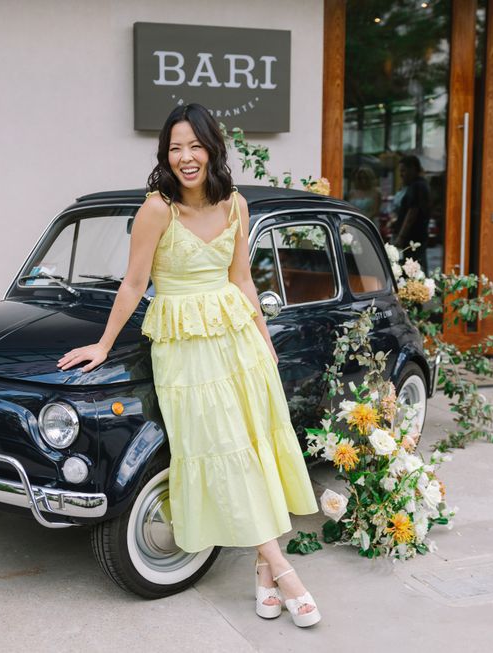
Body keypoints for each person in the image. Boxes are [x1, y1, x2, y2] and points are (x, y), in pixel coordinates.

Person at [55, 103, 321, 627]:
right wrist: (104, 345)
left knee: (253, 448)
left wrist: (264, 341)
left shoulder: (235, 204)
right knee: (219, 449)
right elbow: (135, 283)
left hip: (237, 341)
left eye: (195, 146)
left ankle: (264, 570)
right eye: (175, 148)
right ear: (166, 155)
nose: (186, 157)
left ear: (212, 149)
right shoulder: (157, 210)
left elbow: (242, 279)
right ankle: (283, 569)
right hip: (183, 347)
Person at [391, 154, 431, 274]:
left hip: (413, 238)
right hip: (414, 237)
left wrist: (401, 236)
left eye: (403, 170)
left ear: (413, 169)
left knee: (412, 270)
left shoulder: (417, 186)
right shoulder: (418, 185)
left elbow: (412, 212)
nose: (401, 174)